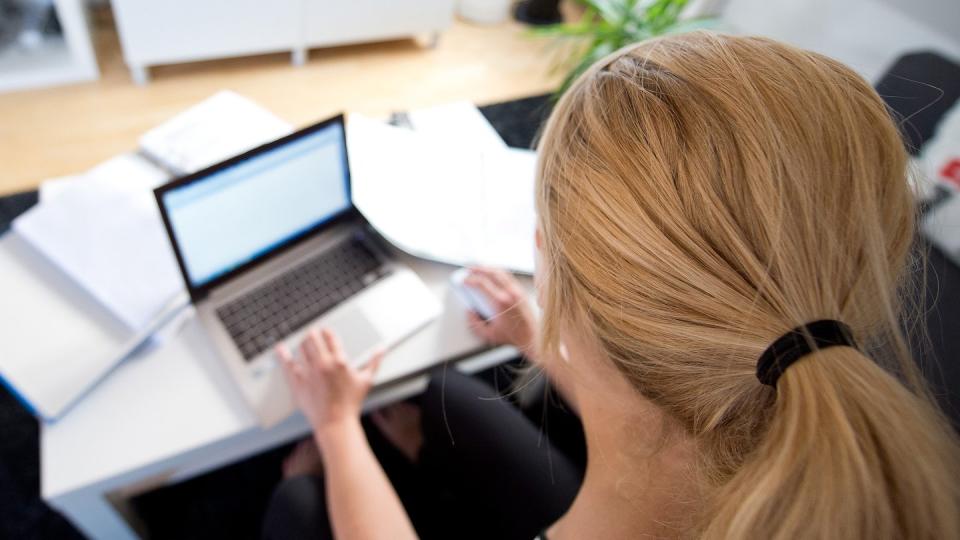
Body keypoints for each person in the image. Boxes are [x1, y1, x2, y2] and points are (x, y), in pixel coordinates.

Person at [263, 31, 960, 539]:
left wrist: (333, 429)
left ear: (547, 263)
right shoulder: (806, 399)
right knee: (448, 396)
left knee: (296, 509)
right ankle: (421, 450)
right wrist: (537, 341)